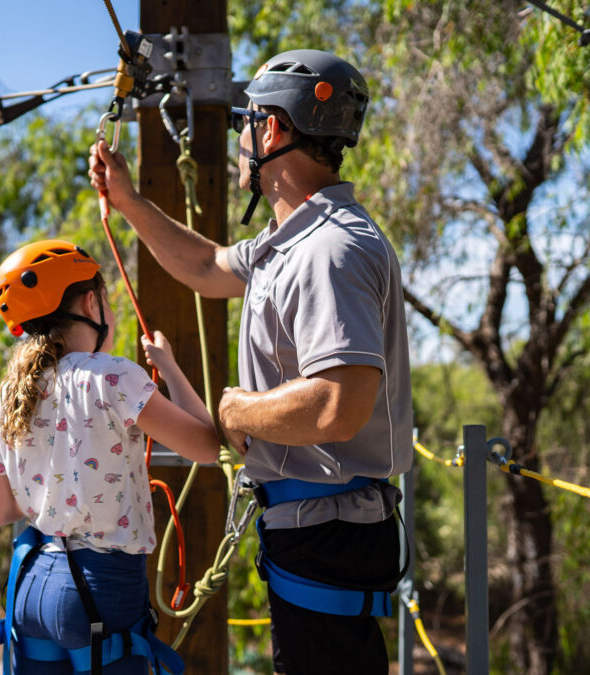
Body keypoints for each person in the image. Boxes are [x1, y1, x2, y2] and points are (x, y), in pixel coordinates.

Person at [89, 49, 412, 674]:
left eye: (246, 120)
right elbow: (206, 266)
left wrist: (237, 410)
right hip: (318, 525)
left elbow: (340, 405)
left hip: (326, 529)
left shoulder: (329, 249)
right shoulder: (291, 240)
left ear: (272, 130)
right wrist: (126, 201)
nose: (240, 136)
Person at [0, 239, 219, 674]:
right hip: (101, 586)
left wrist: (52, 493)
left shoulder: (7, 399)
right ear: (90, 303)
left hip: (32, 584)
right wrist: (169, 367)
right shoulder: (112, 376)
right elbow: (206, 445)